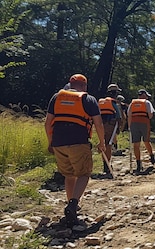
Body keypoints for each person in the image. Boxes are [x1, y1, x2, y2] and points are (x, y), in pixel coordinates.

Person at [44, 74, 106, 227]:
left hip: (58, 142)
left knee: (69, 174)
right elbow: (98, 123)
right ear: (84, 86)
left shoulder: (56, 97)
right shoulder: (88, 99)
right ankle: (73, 204)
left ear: (70, 84)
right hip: (78, 142)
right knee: (83, 174)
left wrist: (50, 141)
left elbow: (47, 123)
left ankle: (71, 205)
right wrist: (102, 142)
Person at [128, 89, 155, 174]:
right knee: (146, 140)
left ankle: (138, 164)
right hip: (144, 122)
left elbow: (129, 114)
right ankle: (152, 157)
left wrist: (130, 126)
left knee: (136, 144)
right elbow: (150, 115)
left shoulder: (132, 103)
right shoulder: (147, 103)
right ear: (144, 95)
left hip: (134, 123)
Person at [97, 84, 124, 178]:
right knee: (108, 145)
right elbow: (119, 117)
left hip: (100, 125)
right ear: (115, 93)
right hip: (110, 125)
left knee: (103, 143)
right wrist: (119, 128)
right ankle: (107, 166)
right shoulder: (113, 102)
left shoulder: (101, 101)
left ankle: (105, 164)